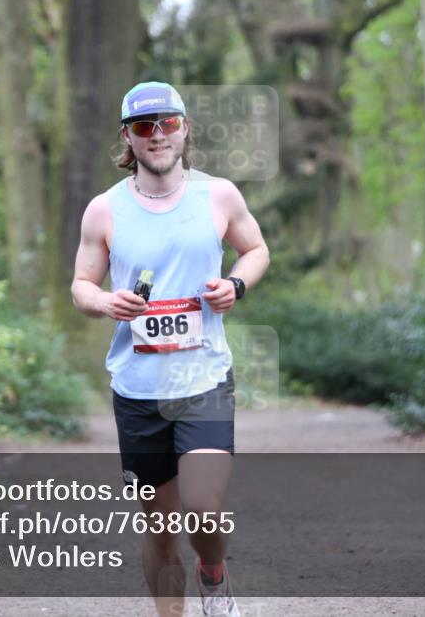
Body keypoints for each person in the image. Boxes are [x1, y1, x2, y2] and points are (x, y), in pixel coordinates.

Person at [71, 81, 270, 617]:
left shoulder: (220, 195)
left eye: (167, 123)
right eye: (143, 127)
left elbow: (254, 249)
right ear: (127, 138)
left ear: (185, 129)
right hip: (137, 390)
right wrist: (106, 303)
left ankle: (214, 574)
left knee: (204, 510)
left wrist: (237, 285)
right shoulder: (103, 210)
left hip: (203, 380)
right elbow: (81, 286)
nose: (157, 136)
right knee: (159, 530)